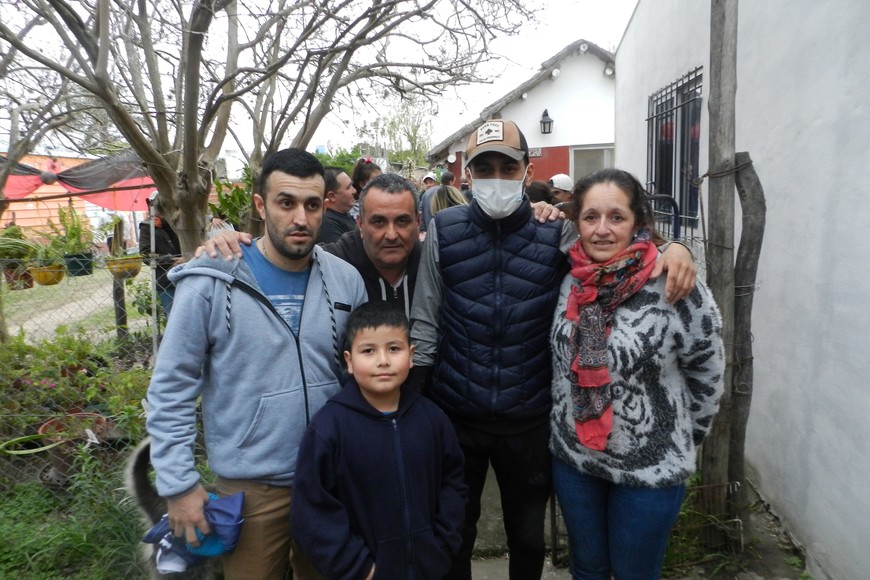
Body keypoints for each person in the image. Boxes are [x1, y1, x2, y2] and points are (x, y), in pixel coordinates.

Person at [409, 119, 698, 580]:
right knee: (455, 532)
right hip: (456, 414)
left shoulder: (555, 231)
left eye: (509, 166)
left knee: (527, 539)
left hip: (529, 417)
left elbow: (620, 250)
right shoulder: (443, 229)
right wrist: (417, 403)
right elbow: (425, 319)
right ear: (467, 173)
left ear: (527, 170)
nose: (497, 178)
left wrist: (676, 246)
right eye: (486, 167)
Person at [145, 148, 367, 580]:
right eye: (286, 203)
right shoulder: (213, 279)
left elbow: (356, 381)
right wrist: (178, 484)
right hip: (252, 489)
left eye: (312, 204)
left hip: (329, 481)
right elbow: (171, 388)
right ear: (261, 205)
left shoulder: (346, 280)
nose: (300, 218)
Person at [549, 168, 724, 579]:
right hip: (575, 460)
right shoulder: (569, 277)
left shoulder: (674, 283)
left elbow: (707, 374)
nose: (602, 230)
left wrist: (674, 435)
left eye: (617, 217)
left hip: (650, 472)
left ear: (638, 222)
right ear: (577, 223)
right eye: (591, 217)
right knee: (587, 570)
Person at [291, 301, 467, 580]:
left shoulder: (432, 419)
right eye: (368, 351)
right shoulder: (329, 428)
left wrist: (441, 546)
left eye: (394, 349)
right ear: (349, 361)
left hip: (429, 568)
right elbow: (313, 508)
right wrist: (357, 567)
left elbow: (454, 485)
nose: (383, 360)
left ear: (411, 356)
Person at [139, 193, 182, 316]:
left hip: (186, 277)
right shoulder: (147, 227)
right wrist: (172, 260)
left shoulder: (177, 223)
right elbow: (146, 256)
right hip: (166, 280)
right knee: (174, 317)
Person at [316, 166, 357, 244]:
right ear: (332, 196)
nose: (354, 191)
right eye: (348, 187)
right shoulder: (328, 225)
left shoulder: (344, 215)